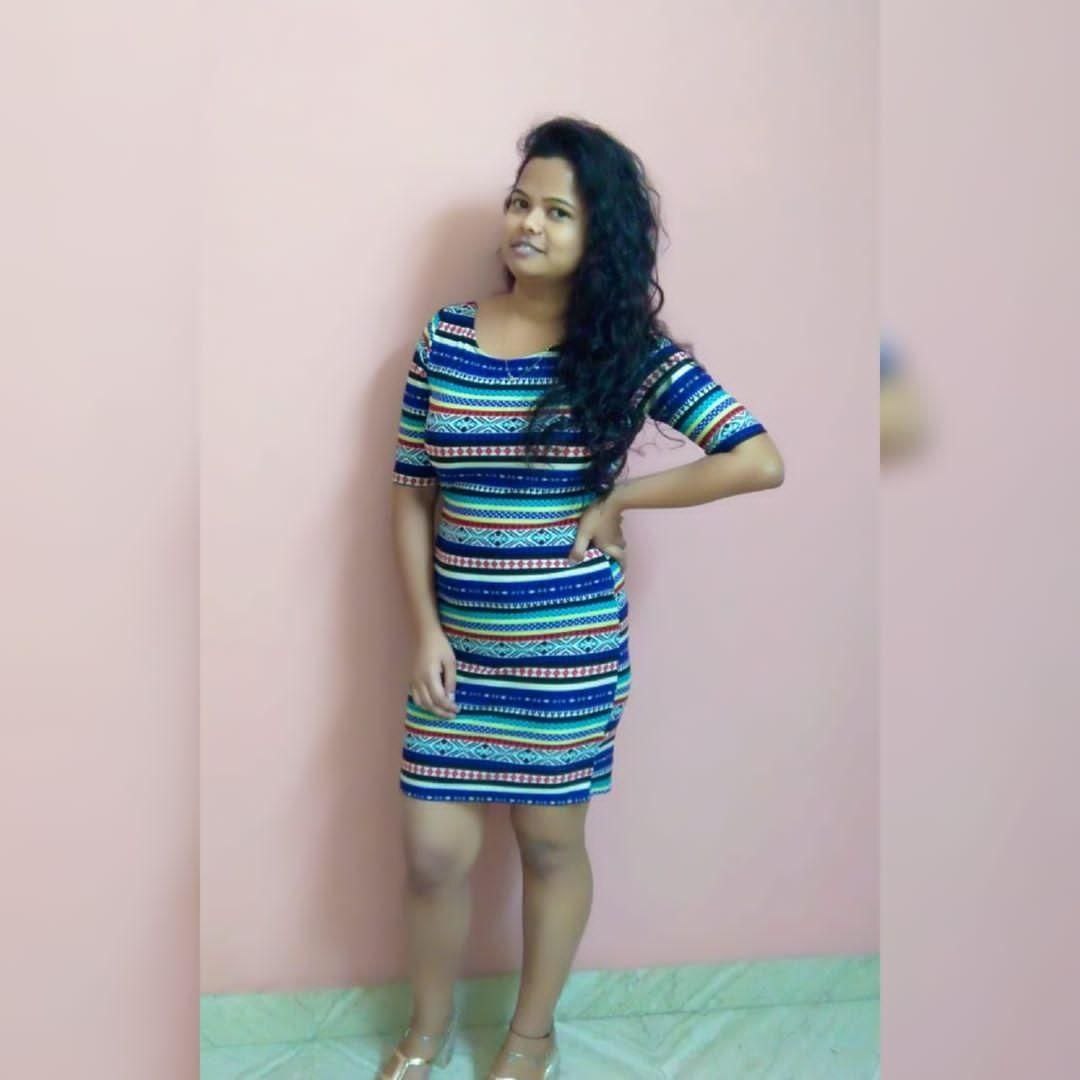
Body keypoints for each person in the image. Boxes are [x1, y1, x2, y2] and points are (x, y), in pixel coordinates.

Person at [382, 116, 784, 1080]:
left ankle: (531, 1036)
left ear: (599, 234)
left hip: (567, 657)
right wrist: (425, 629)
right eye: (520, 202)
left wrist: (623, 498)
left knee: (551, 849)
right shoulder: (446, 336)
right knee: (433, 854)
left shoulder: (625, 353)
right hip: (457, 655)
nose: (529, 223)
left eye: (557, 212)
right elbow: (410, 490)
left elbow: (757, 459)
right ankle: (427, 1030)